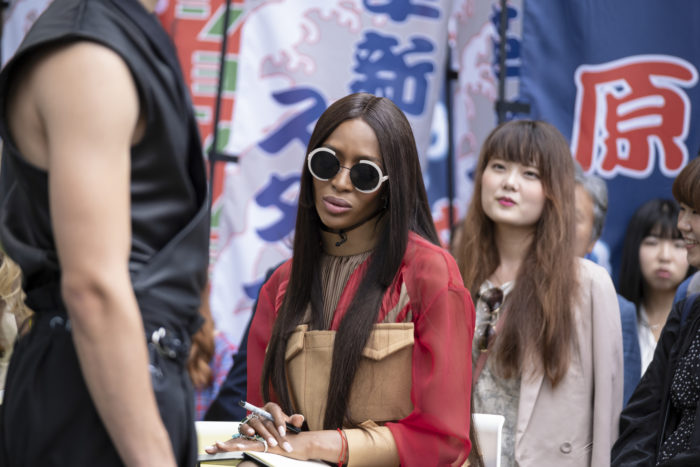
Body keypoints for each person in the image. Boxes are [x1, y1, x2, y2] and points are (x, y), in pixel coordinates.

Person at [206, 92, 475, 465]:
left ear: (390, 188)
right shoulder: (280, 286)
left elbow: (444, 441)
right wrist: (265, 426)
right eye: (327, 163)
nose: (341, 183)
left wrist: (316, 445)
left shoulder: (430, 275)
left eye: (364, 173)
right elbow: (263, 411)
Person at [0, 0, 209, 465]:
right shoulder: (87, 51)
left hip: (118, 375)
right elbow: (92, 287)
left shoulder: (106, 34)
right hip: (93, 386)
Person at [454, 120, 623, 466]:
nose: (509, 182)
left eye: (530, 173)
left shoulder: (587, 285)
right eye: (498, 166)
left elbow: (606, 417)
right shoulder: (455, 277)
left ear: (555, 191)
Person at [612, 156, 700, 466]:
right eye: (683, 210)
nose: (683, 225)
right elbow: (643, 413)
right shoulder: (689, 306)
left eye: (696, 213)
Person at [574, 165, 642, 405]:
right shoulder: (503, 291)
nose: (558, 228)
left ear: (594, 237)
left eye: (573, 219)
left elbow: (623, 409)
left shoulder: (619, 311)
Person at [618, 199, 693, 375]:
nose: (665, 256)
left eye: (678, 245)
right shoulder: (615, 319)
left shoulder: (694, 323)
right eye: (652, 242)